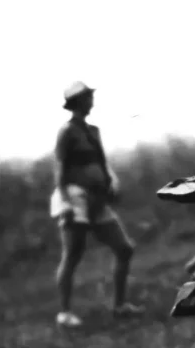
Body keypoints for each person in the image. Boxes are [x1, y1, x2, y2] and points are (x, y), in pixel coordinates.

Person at [50, 81, 143, 327]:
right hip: (75, 197)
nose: (91, 100)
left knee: (124, 248)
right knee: (72, 254)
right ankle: (65, 312)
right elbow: (59, 166)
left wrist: (112, 181)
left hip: (98, 199)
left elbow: (102, 162)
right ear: (78, 102)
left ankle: (120, 305)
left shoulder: (93, 131)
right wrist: (66, 202)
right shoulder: (67, 131)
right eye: (87, 97)